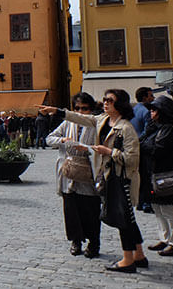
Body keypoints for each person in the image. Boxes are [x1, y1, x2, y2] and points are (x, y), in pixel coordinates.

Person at [48, 89, 147, 273]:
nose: (106, 103)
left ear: (120, 105)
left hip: (121, 179)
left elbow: (133, 159)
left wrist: (108, 152)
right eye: (105, 99)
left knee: (123, 219)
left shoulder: (126, 128)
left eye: (110, 100)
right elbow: (79, 118)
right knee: (128, 219)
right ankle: (139, 255)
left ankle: (127, 260)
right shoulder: (103, 120)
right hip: (108, 176)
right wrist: (57, 111)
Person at [45, 92, 101, 258]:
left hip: (88, 172)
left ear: (91, 109)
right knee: (71, 210)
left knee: (90, 209)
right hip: (68, 172)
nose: (80, 112)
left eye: (84, 109)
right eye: (77, 108)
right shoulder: (67, 122)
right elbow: (49, 139)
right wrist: (62, 141)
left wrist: (88, 149)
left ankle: (93, 242)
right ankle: (76, 241)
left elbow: (103, 148)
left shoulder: (96, 123)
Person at [140, 95, 173, 257]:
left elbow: (157, 150)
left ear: (162, 112)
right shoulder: (156, 128)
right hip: (155, 174)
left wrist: (144, 144)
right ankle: (165, 238)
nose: (151, 113)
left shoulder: (166, 129)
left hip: (166, 175)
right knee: (158, 208)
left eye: (154, 110)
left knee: (169, 210)